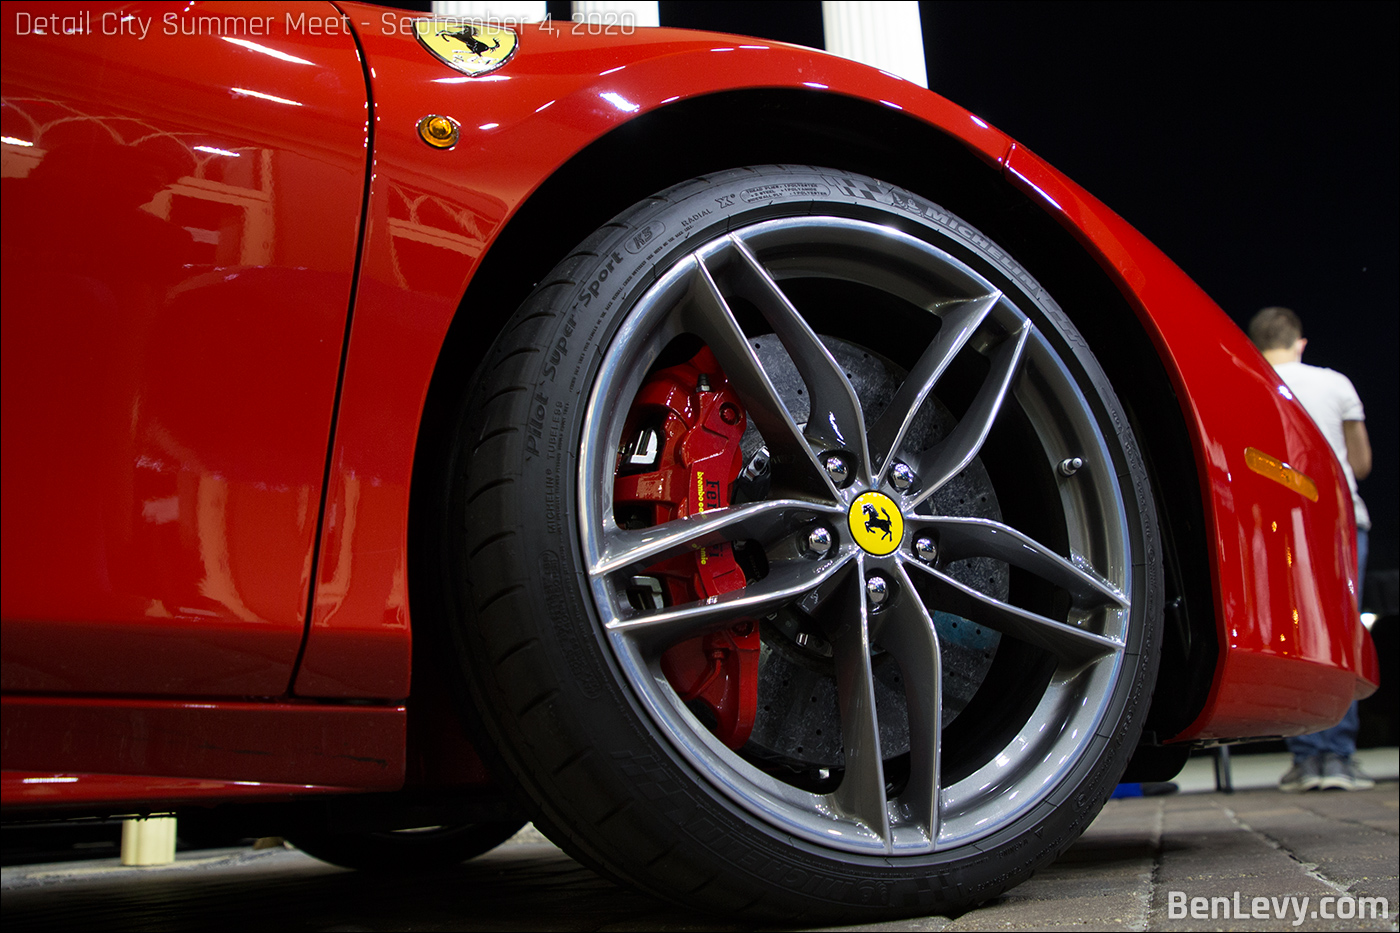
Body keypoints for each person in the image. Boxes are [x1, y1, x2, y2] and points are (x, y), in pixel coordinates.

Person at [1247, 306, 1375, 792]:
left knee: (1294, 638)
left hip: (1279, 524)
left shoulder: (1251, 380)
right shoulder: (1335, 383)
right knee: (1343, 633)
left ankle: (1304, 757)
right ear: (1300, 342)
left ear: (1257, 345)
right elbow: (1359, 463)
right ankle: (1339, 758)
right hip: (1340, 522)